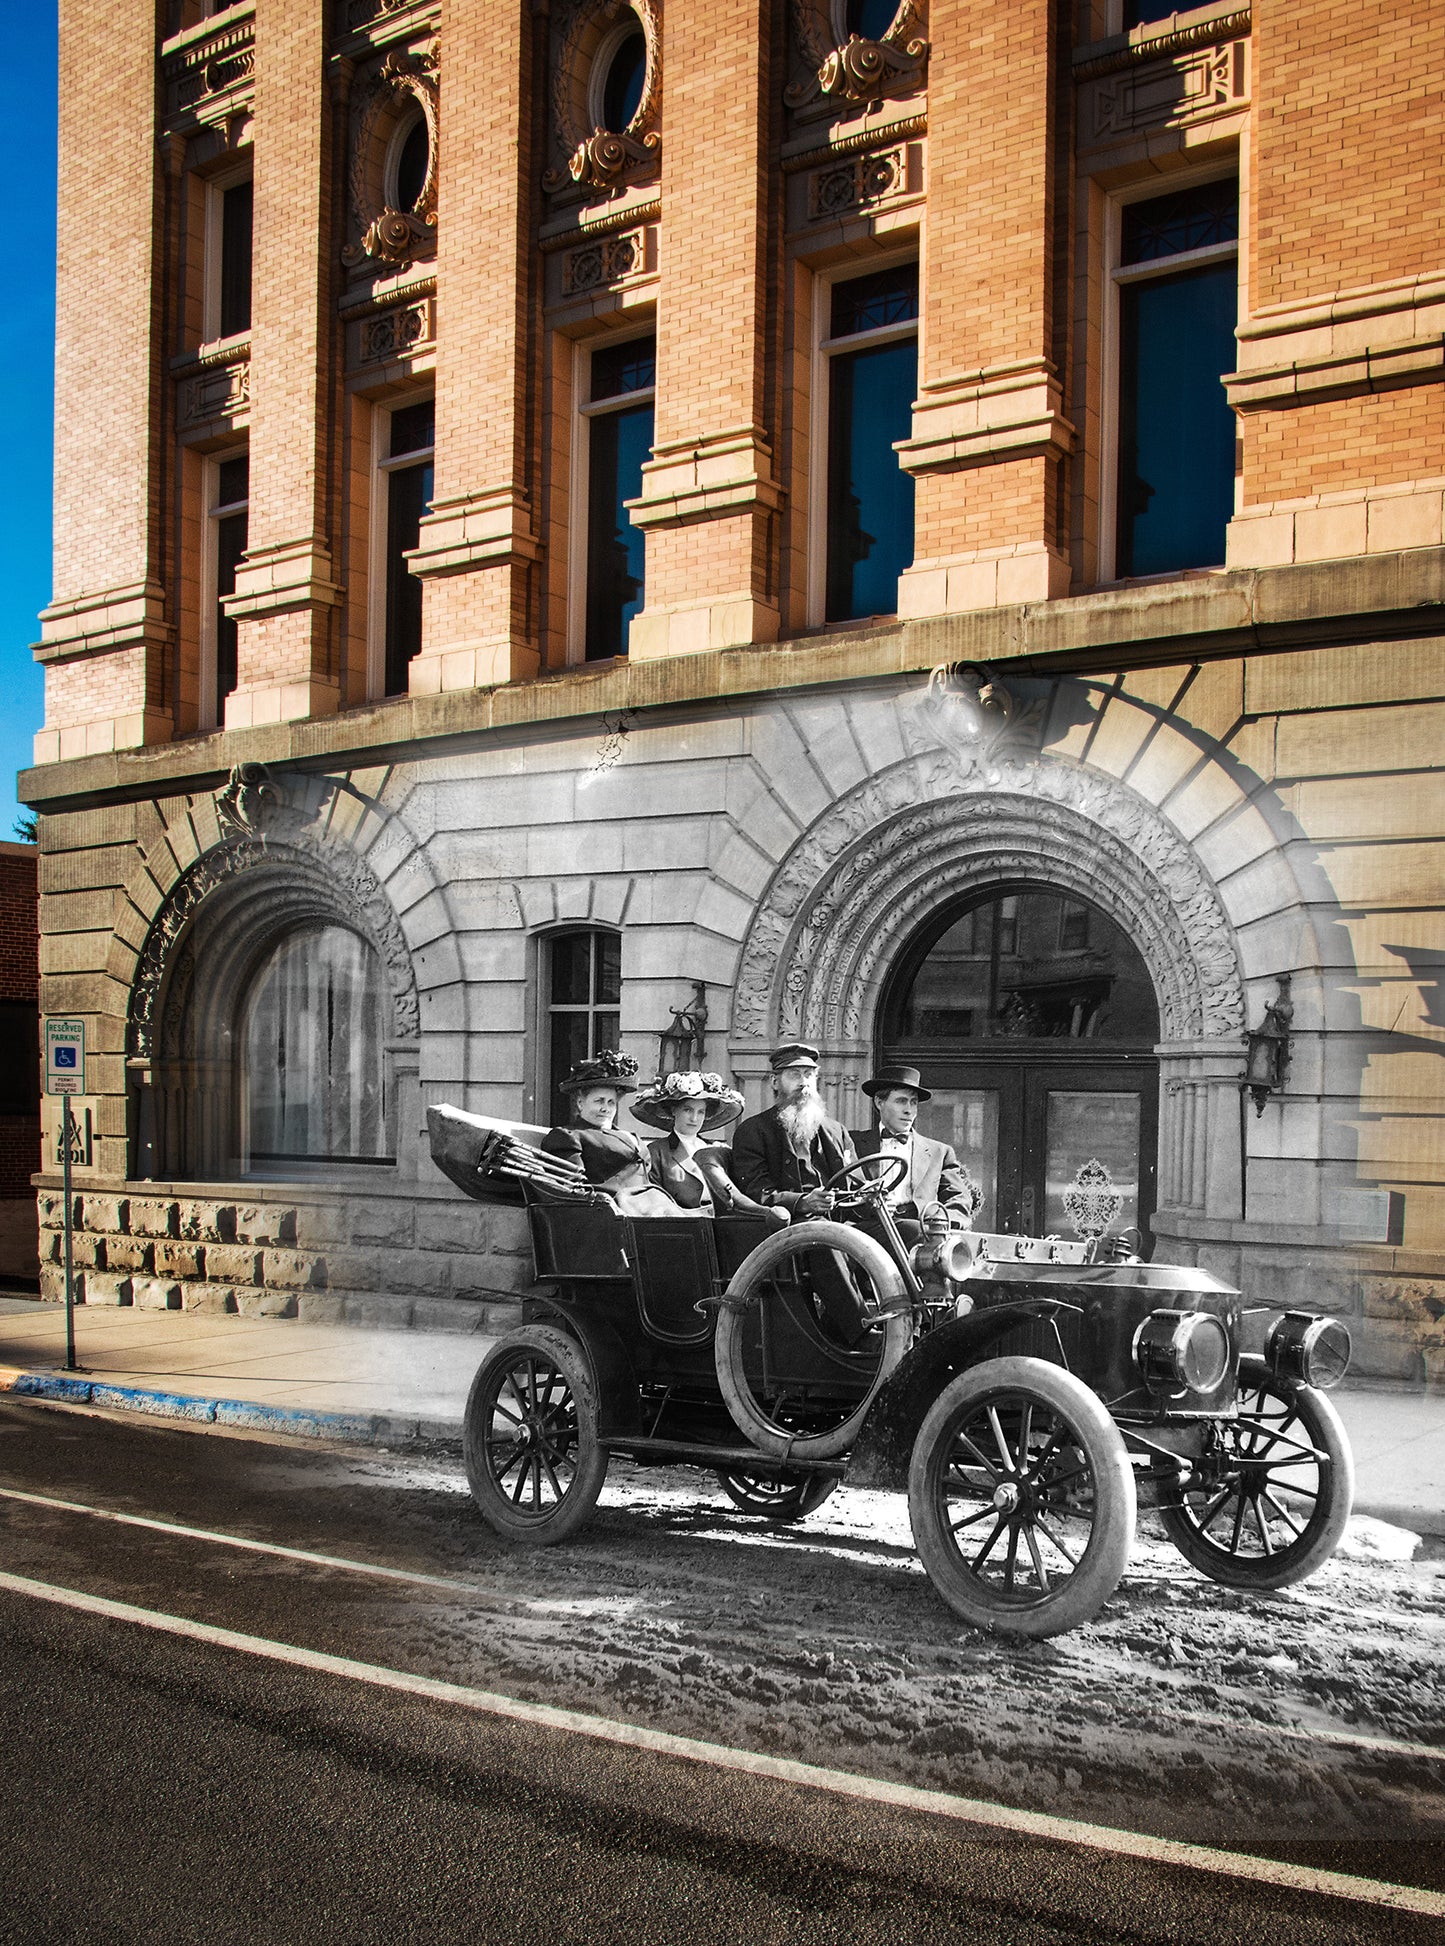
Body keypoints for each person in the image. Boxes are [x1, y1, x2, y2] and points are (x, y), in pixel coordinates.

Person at [541, 1052, 694, 1217]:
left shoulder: (629, 1136)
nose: (605, 1108)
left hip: (652, 1208)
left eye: (611, 1102)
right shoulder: (568, 1136)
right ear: (580, 1103)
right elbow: (570, 1191)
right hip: (614, 1214)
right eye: (599, 1101)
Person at [630, 1072, 786, 1224]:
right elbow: (652, 1202)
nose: (694, 1118)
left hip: (721, 1225)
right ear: (674, 1110)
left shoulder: (717, 1151)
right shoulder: (656, 1152)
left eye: (701, 1112)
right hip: (679, 1226)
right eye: (687, 1110)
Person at [850, 1065, 982, 1243]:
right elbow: (840, 1192)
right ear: (879, 1102)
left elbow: (959, 1199)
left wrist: (939, 1224)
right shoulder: (853, 1143)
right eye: (901, 1101)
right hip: (866, 1232)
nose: (909, 1110)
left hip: (921, 1231)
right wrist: (868, 1202)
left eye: (913, 1102)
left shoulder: (939, 1152)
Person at [730, 1043, 857, 1217]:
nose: (804, 1082)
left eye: (809, 1074)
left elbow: (856, 1183)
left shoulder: (837, 1131)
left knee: (894, 1228)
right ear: (775, 1082)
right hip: (791, 1223)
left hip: (841, 1221)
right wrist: (802, 1202)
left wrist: (872, 1194)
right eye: (795, 1075)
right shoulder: (753, 1131)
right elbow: (756, 1192)